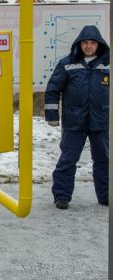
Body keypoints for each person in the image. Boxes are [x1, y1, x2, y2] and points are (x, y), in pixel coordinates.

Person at [44, 25, 110, 210]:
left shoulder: (108, 64)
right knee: (68, 159)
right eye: (85, 43)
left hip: (102, 121)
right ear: (79, 44)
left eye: (92, 43)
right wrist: (52, 115)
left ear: (99, 45)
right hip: (74, 122)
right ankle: (62, 197)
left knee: (104, 160)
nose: (88, 46)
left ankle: (106, 196)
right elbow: (52, 90)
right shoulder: (67, 63)